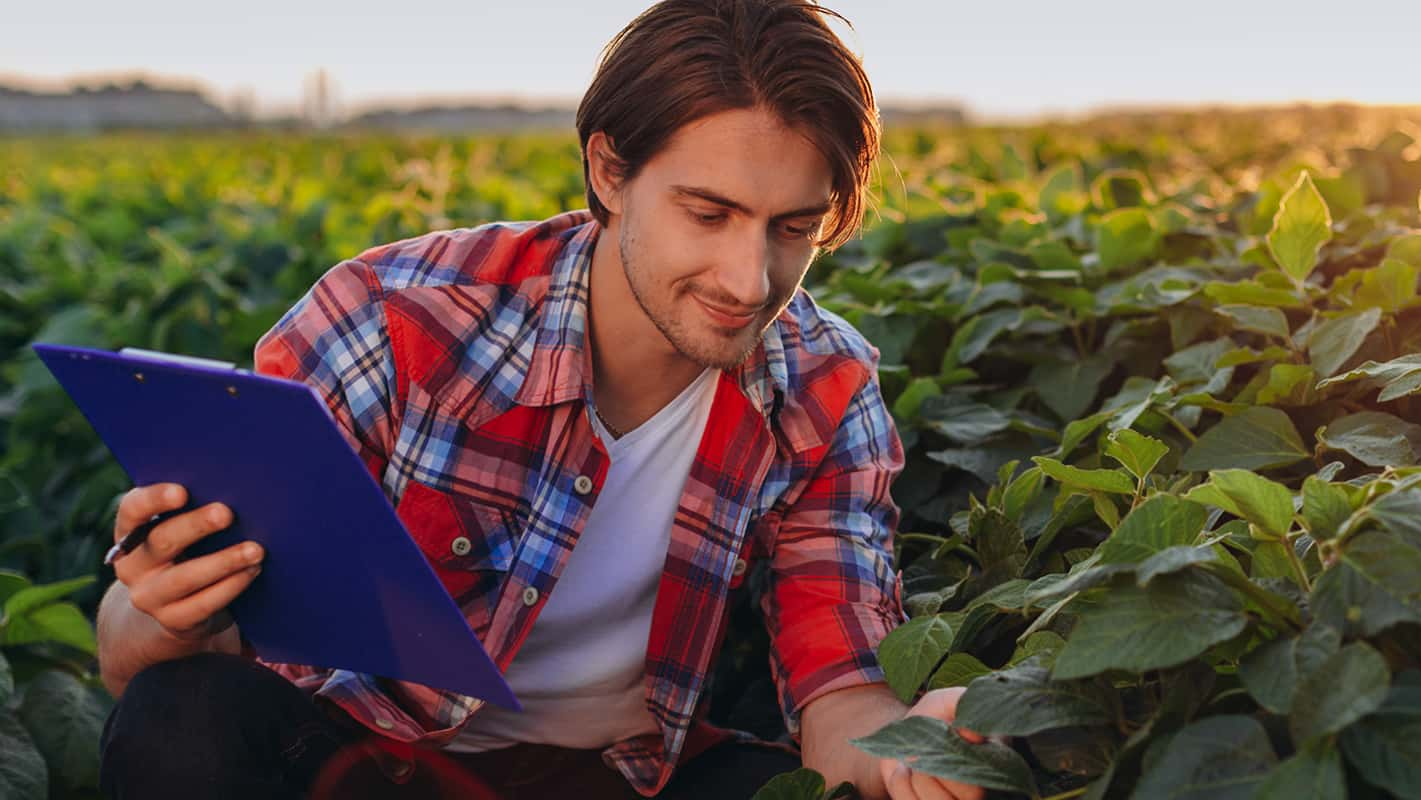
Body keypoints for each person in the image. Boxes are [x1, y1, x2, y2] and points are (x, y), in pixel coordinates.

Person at [92, 2, 987, 798]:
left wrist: (914, 751)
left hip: (614, 776)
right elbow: (134, 662)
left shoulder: (823, 388)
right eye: (708, 214)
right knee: (181, 716)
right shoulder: (392, 323)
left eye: (794, 229)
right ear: (608, 171)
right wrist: (162, 610)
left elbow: (841, 689)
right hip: (368, 756)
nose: (750, 280)